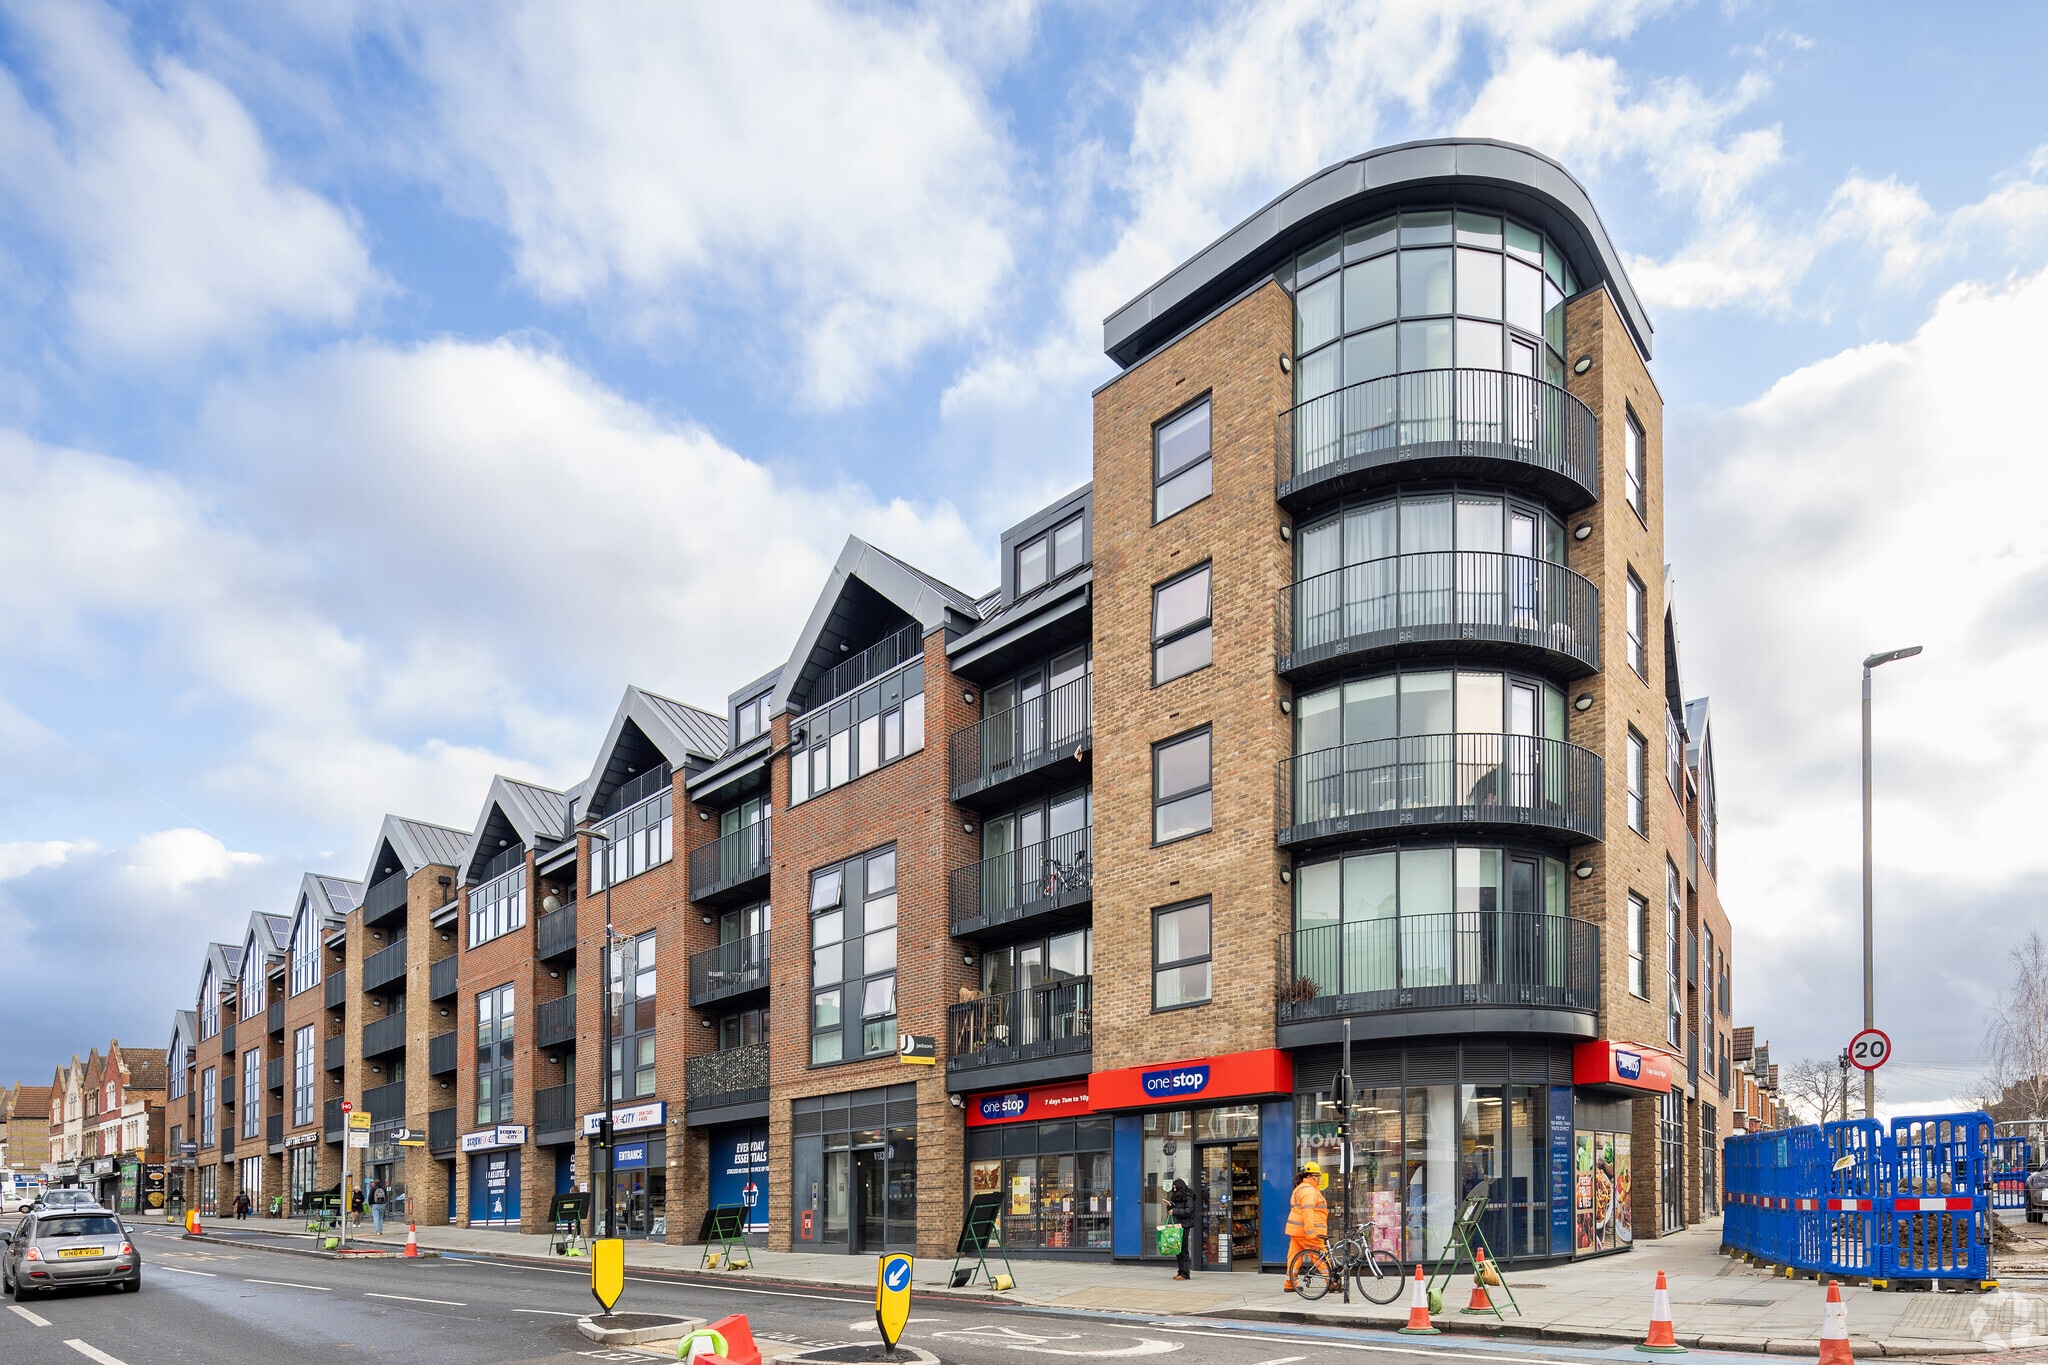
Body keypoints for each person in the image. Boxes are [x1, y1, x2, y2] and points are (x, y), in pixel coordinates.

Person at [1283, 1161, 1330, 1292]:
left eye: (1319, 1175)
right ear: (1308, 1176)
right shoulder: (1308, 1190)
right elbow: (1307, 1211)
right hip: (1307, 1231)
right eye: (1316, 1175)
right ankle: (1332, 1282)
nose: (1319, 1178)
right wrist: (1310, 1232)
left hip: (1296, 1230)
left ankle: (1289, 1283)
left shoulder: (1301, 1188)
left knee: (1294, 1257)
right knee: (1320, 1256)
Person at [1166, 1178, 1196, 1280]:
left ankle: (1185, 1273)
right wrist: (1170, 1206)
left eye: (1175, 1187)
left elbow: (1188, 1211)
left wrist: (1175, 1211)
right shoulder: (1179, 1197)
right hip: (1178, 1225)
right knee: (1178, 1249)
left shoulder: (1188, 1197)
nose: (1173, 1189)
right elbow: (1178, 1209)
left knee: (1183, 1250)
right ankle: (1180, 1271)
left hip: (1184, 1225)